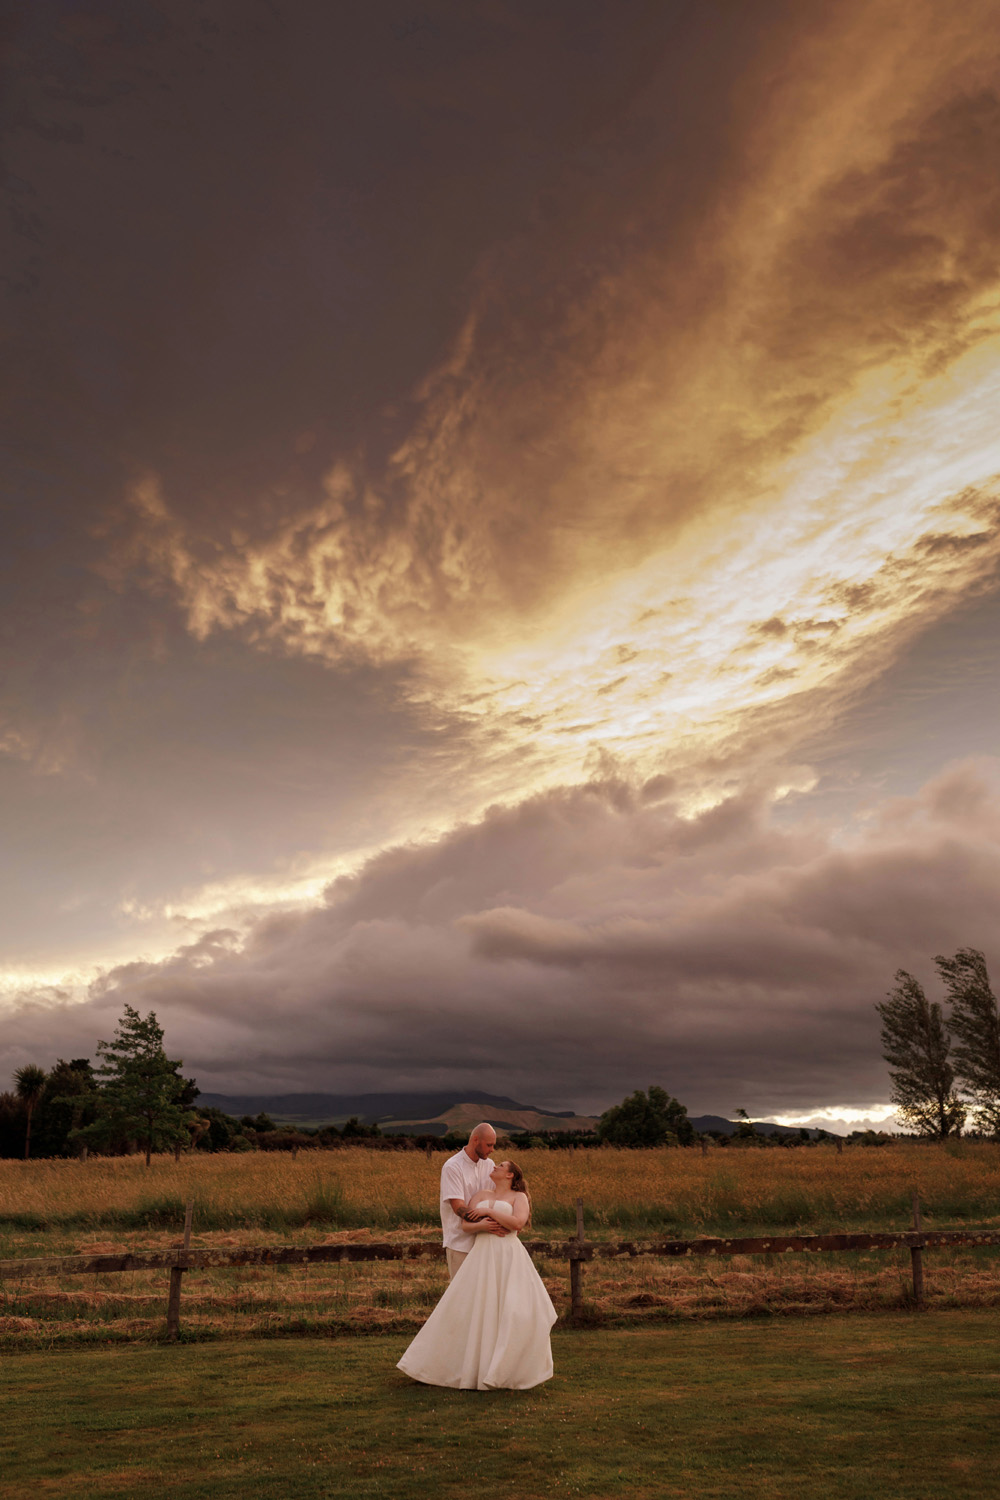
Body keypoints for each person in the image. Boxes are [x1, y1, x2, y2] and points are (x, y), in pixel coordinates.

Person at [397, 1159, 557, 1390]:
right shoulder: (481, 1195)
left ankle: (506, 1367)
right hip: (482, 1254)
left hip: (508, 1255)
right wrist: (483, 1225)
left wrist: (488, 1212)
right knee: (471, 1308)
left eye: (501, 1165)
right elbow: (465, 1225)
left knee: (511, 1309)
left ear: (510, 1175)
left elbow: (518, 1222)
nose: (495, 1166)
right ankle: (465, 1366)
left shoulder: (518, 1197)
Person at [439, 1122, 505, 1281]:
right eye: (489, 1145)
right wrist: (492, 1221)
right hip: (460, 1244)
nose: (492, 1149)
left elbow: (496, 1198)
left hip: (485, 1243)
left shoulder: (489, 1165)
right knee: (462, 1298)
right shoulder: (452, 1167)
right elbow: (459, 1208)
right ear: (475, 1140)